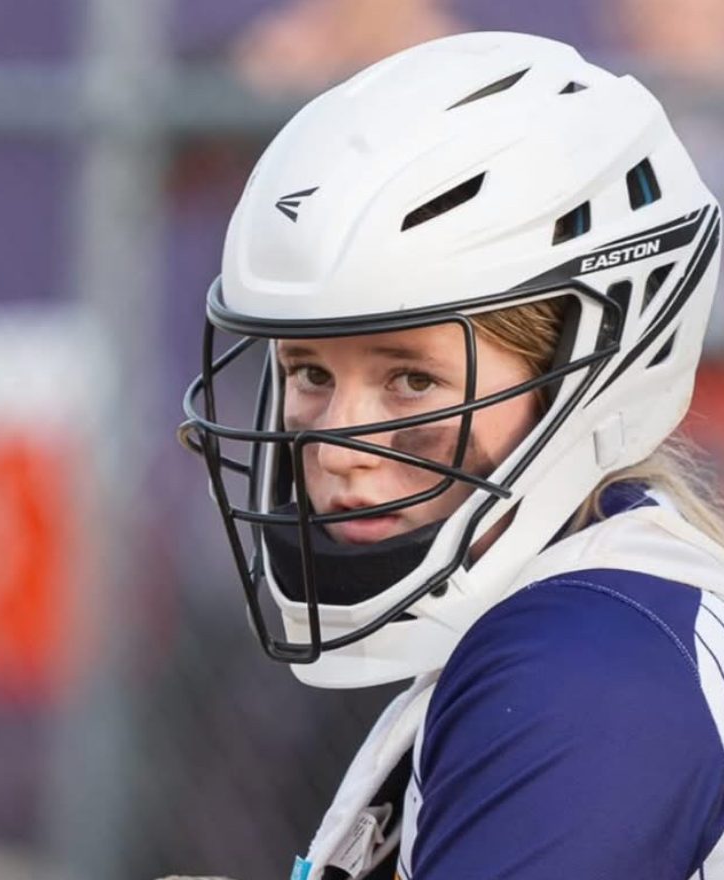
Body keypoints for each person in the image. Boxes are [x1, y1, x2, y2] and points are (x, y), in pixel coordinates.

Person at [178, 32, 724, 879]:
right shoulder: (589, 615)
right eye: (311, 371)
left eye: (411, 379)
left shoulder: (584, 671)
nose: (336, 445)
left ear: (590, 367)